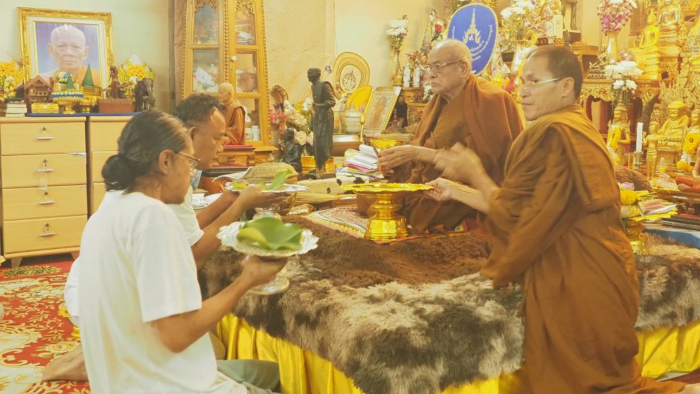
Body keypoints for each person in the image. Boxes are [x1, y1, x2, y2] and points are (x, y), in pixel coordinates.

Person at [426, 46, 697, 393]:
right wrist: (457, 190)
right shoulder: (577, 129)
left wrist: (473, 171)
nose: (522, 90)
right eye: (522, 82)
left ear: (566, 86)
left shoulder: (552, 134)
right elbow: (537, 211)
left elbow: (516, 217)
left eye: (535, 81)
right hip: (605, 273)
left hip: (575, 284)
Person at [49, 95, 283, 382]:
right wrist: (247, 280)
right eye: (189, 162)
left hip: (127, 372)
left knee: (269, 372)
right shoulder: (152, 216)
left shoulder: (110, 211)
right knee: (274, 378)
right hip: (162, 383)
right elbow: (178, 335)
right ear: (165, 161)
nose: (191, 172)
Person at [368, 39, 522, 233]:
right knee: (371, 199)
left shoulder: (491, 100)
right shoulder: (436, 103)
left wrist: (417, 153)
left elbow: (485, 165)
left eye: (438, 67)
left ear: (463, 69)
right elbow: (422, 153)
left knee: (416, 215)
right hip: (430, 185)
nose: (430, 74)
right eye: (429, 67)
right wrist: (396, 164)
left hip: (465, 196)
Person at [308, 67, 336, 173]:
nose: (307, 76)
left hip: (325, 118)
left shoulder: (324, 85)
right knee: (317, 143)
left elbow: (332, 101)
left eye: (309, 74)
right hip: (318, 117)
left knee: (324, 143)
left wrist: (319, 105)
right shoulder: (313, 86)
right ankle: (319, 167)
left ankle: (325, 167)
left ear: (316, 75)